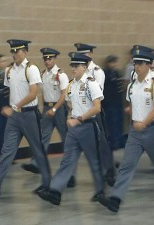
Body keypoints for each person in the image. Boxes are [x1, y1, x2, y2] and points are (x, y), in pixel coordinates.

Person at [98, 47, 154, 213]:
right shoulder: (133, 85)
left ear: (148, 65)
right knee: (126, 165)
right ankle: (116, 199)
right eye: (135, 64)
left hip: (152, 130)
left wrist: (145, 122)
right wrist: (131, 110)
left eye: (140, 64)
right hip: (135, 132)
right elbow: (131, 102)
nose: (136, 67)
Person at [0, 39, 51, 200]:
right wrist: (5, 106)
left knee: (38, 151)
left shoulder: (31, 69)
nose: (14, 54)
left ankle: (48, 185)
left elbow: (32, 93)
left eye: (17, 51)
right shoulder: (9, 70)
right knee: (6, 151)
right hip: (15, 116)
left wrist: (14, 106)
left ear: (25, 52)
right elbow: (8, 91)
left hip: (29, 115)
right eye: (12, 51)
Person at [37, 52, 105, 205]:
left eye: (77, 66)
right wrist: (70, 117)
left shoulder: (91, 84)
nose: (73, 68)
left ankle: (100, 191)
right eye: (72, 66)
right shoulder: (71, 84)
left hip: (88, 127)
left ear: (85, 67)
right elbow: (69, 103)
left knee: (93, 161)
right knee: (67, 161)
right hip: (74, 129)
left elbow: (97, 108)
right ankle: (55, 192)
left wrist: (80, 118)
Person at [21, 48, 69, 175]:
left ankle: (69, 165)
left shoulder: (61, 74)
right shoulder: (43, 74)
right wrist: (44, 107)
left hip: (58, 109)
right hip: (48, 109)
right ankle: (36, 164)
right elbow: (43, 93)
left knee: (66, 138)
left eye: (50, 58)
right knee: (43, 137)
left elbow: (64, 95)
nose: (47, 61)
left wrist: (54, 108)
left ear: (55, 59)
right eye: (45, 59)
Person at [74, 43, 115, 186]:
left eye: (85, 54)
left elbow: (97, 93)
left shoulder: (97, 72)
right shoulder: (78, 70)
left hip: (93, 111)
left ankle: (109, 170)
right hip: (80, 112)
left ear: (90, 54)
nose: (82, 57)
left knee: (101, 141)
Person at [102, 55, 125, 151]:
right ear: (108, 63)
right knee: (112, 123)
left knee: (119, 122)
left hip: (118, 101)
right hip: (109, 102)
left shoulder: (117, 72)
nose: (114, 64)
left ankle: (119, 141)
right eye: (112, 62)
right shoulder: (105, 73)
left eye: (115, 62)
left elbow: (120, 87)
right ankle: (113, 142)